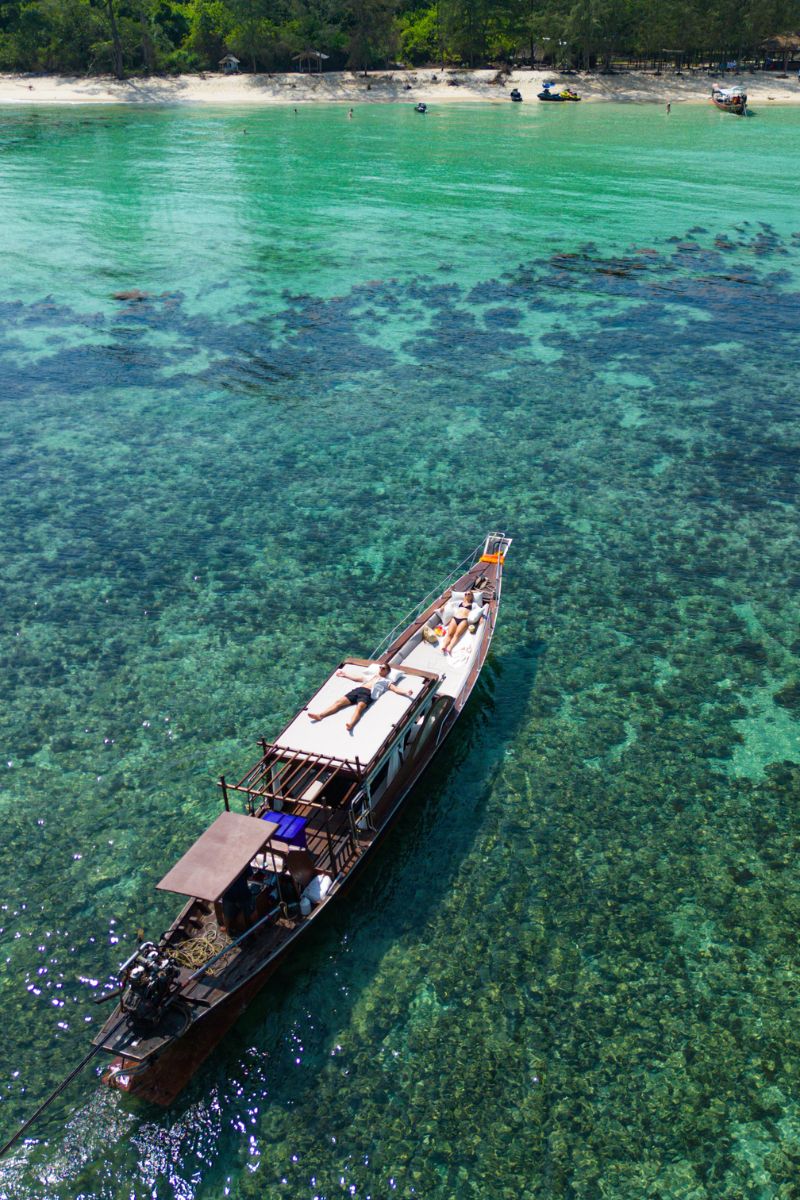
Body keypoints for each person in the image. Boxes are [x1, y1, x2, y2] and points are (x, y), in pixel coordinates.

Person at [309, 663, 413, 732]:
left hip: (368, 694)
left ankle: (351, 724)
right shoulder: (372, 676)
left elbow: (395, 689)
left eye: (383, 668)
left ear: (387, 672)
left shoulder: (387, 682)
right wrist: (345, 675)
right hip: (359, 690)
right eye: (380, 667)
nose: (381, 669)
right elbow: (358, 678)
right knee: (338, 702)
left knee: (359, 708)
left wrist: (406, 692)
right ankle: (320, 715)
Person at [440, 591, 479, 656]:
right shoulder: (460, 602)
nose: (466, 595)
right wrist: (442, 607)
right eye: (465, 594)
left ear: (471, 596)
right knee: (449, 634)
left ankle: (449, 647)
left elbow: (479, 610)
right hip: (455, 618)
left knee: (457, 634)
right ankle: (443, 646)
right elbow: (449, 603)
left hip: (464, 620)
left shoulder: (474, 604)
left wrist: (481, 619)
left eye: (468, 594)